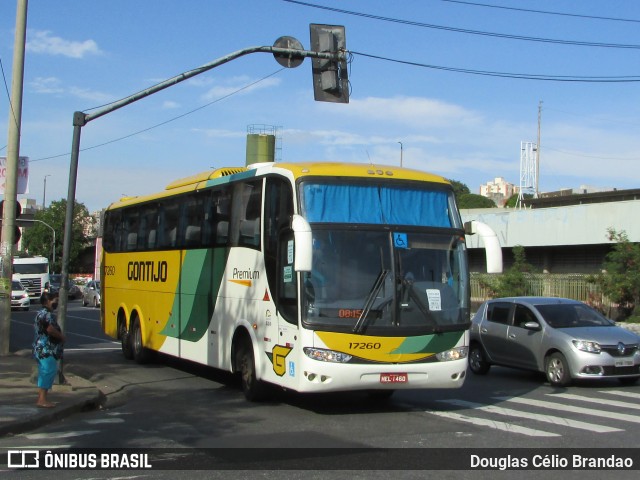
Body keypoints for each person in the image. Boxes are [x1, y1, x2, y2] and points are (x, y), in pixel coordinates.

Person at [32, 291, 65, 408]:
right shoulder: (45, 314)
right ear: (47, 302)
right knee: (48, 371)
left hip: (41, 348)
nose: (56, 303)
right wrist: (61, 336)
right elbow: (49, 329)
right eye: (54, 301)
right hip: (46, 349)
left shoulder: (40, 313)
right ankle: (42, 399)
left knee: (44, 372)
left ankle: (42, 398)